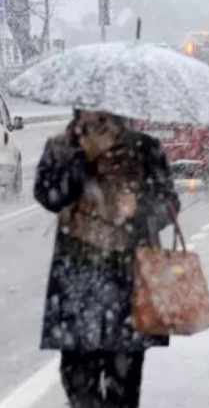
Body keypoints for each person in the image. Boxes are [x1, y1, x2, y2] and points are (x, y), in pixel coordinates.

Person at [34, 110, 180, 407]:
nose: (94, 112)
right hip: (77, 280)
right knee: (78, 384)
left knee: (123, 387)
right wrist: (82, 160)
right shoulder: (61, 148)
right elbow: (50, 196)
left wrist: (139, 207)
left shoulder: (144, 148)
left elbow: (169, 203)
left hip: (127, 281)